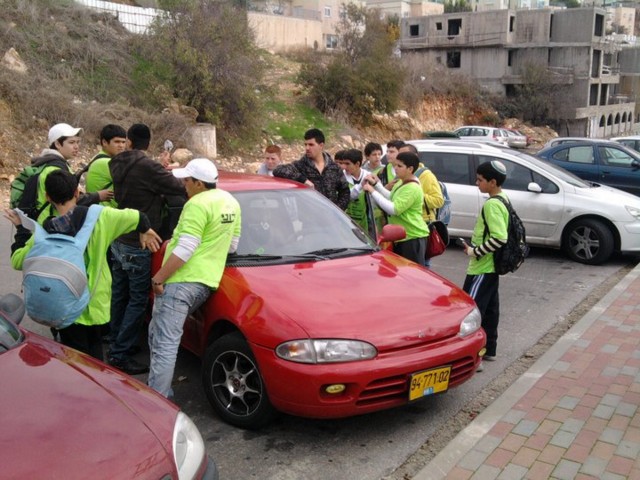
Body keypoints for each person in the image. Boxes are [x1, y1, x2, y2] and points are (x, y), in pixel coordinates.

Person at [5, 169, 161, 360]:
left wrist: (21, 230)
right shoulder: (101, 217)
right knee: (94, 360)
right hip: (94, 304)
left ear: (48, 197)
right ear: (77, 193)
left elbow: (18, 261)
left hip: (63, 308)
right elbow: (138, 217)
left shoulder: (43, 231)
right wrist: (145, 230)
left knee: (74, 360)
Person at [148, 158, 241, 398]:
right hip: (207, 281)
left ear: (199, 183)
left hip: (181, 281)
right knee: (160, 335)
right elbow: (232, 246)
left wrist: (159, 278)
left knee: (164, 344)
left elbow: (186, 247)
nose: (183, 184)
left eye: (187, 180)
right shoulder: (231, 202)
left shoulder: (196, 204)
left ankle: (157, 400)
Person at [108, 123, 187, 375]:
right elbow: (178, 188)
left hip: (119, 238)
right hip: (140, 241)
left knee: (120, 295)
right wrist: (173, 172)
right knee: (138, 300)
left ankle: (115, 343)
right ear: (149, 144)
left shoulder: (117, 163)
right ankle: (120, 354)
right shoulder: (148, 167)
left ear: (129, 141)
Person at [11, 123, 112, 253]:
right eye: (71, 142)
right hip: (50, 229)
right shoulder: (54, 169)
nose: (76, 146)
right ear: (58, 144)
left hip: (46, 227)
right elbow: (66, 200)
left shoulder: (51, 163)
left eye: (77, 142)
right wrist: (97, 196)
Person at [459, 160, 509, 371]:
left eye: (480, 180)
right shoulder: (503, 198)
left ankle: (474, 356)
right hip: (491, 269)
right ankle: (490, 349)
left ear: (492, 182)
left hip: (482, 268)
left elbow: (499, 238)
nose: (476, 183)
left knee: (471, 311)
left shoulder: (491, 205)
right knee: (489, 310)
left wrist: (474, 251)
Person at [363, 152, 428, 264]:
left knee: (410, 274)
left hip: (412, 237)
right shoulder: (402, 182)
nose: (395, 168)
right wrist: (376, 185)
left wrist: (372, 191)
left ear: (410, 169)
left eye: (400, 166)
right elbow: (391, 197)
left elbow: (393, 209)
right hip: (402, 237)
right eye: (395, 165)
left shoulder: (412, 187)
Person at [273, 128, 350, 210]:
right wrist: (303, 180)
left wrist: (336, 210)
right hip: (309, 219)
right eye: (305, 144)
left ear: (321, 146)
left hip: (331, 219)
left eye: (311, 145)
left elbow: (345, 192)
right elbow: (278, 170)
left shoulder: (334, 167)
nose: (307, 148)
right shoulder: (301, 165)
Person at [399, 143, 444, 267]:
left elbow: (438, 200)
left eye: (406, 155)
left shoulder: (426, 175)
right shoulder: (401, 174)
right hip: (406, 226)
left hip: (422, 224)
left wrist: (417, 197)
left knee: (421, 264)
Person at [84, 124, 127, 206]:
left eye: (123, 142)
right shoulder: (105, 162)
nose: (121, 146)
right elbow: (136, 180)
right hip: (104, 214)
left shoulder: (98, 158)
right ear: (104, 142)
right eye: (117, 142)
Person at [337, 148, 371, 232]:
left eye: (347, 164)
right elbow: (346, 197)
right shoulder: (340, 177)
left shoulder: (368, 175)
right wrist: (360, 186)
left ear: (357, 164)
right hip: (345, 222)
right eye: (343, 163)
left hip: (365, 223)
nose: (344, 167)